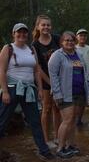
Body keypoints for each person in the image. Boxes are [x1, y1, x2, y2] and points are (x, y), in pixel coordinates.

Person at [0, 23, 54, 160]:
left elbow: (36, 71)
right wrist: (5, 91)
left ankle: (44, 150)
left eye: (24, 32)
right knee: (2, 120)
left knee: (35, 121)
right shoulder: (8, 49)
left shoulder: (31, 49)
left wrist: (40, 90)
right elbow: (2, 71)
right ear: (13, 34)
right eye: (19, 32)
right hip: (12, 89)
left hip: (29, 90)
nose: (22, 35)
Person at [48, 31, 89, 158]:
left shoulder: (78, 54)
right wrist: (57, 93)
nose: (70, 42)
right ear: (61, 42)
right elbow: (53, 76)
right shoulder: (57, 55)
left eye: (72, 40)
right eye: (66, 40)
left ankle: (70, 145)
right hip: (65, 93)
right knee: (67, 120)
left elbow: (85, 73)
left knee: (73, 120)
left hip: (79, 92)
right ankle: (60, 148)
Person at [32, 15, 61, 148]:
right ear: (38, 26)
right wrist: (50, 82)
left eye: (48, 25)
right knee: (46, 109)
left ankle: (57, 137)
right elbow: (37, 67)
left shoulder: (56, 39)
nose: (46, 27)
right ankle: (46, 139)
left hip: (59, 79)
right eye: (43, 25)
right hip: (44, 81)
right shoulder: (35, 45)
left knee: (57, 108)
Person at [75, 28, 89, 126]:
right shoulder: (73, 48)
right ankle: (74, 120)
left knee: (85, 101)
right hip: (76, 79)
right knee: (75, 101)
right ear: (77, 37)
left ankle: (79, 120)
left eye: (84, 35)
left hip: (87, 79)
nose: (83, 37)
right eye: (81, 35)